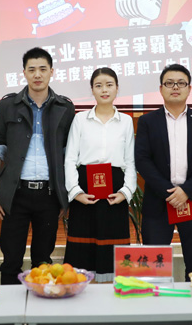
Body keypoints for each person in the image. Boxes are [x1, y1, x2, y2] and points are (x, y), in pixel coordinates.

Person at [0, 47, 76, 285]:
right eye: (32, 70)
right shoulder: (8, 106)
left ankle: (41, 303)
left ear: (52, 72)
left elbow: (69, 155)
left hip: (48, 195)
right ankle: (10, 307)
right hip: (15, 194)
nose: (37, 75)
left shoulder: (65, 108)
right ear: (24, 73)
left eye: (42, 69)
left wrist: (64, 194)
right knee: (10, 260)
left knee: (43, 260)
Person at [134, 63, 192, 277]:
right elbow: (142, 160)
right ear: (161, 89)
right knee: (154, 267)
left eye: (181, 83)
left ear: (189, 88)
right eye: (169, 83)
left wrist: (187, 190)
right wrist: (169, 193)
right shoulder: (147, 121)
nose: (175, 87)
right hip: (159, 202)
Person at [63, 67, 135, 281]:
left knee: (113, 250)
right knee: (82, 251)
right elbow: (70, 159)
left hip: (115, 190)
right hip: (85, 190)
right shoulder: (80, 119)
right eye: (99, 85)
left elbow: (130, 161)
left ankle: (113, 292)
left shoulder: (126, 121)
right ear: (92, 90)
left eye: (109, 85)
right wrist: (75, 191)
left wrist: (126, 191)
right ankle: (79, 290)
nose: (104, 90)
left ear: (117, 88)